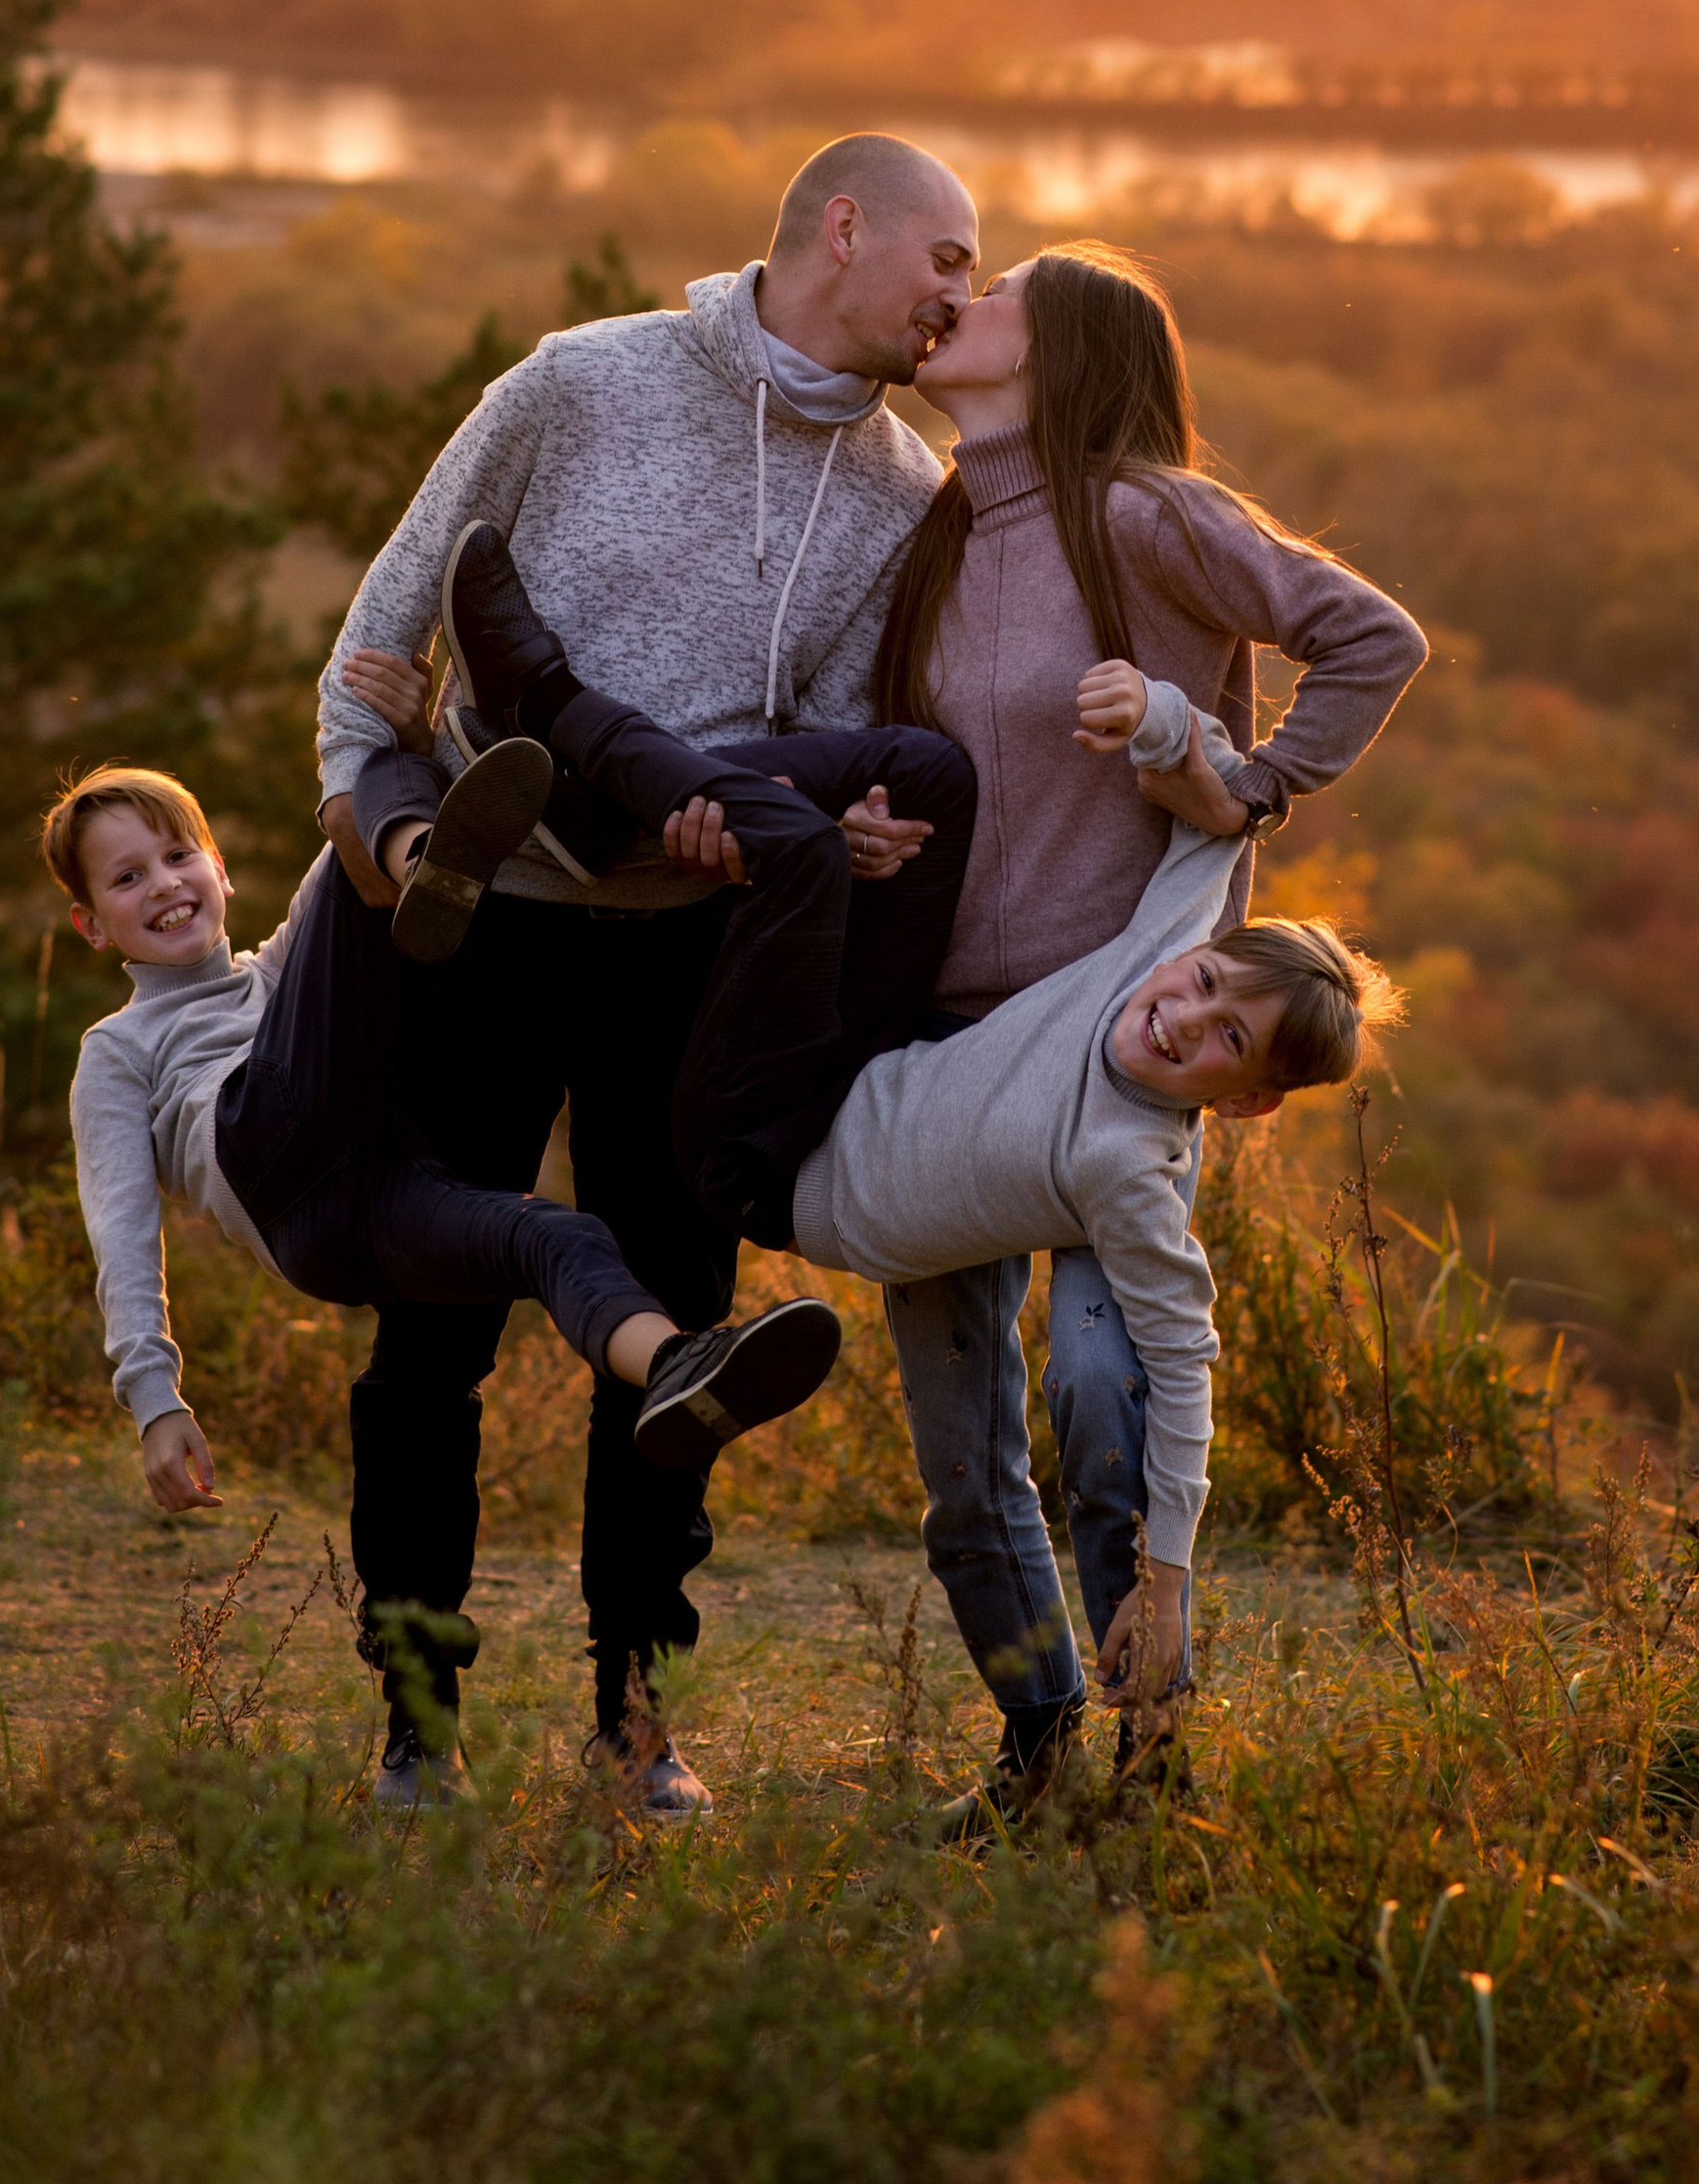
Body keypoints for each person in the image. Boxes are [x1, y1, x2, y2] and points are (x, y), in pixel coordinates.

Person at [440, 522, 1396, 1770]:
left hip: (767, 1158)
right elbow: (1216, 828)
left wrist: (1164, 1579)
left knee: (791, 853)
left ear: (1246, 1105)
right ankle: (609, 811)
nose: (1180, 1019)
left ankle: (551, 706)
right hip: (856, 1066)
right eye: (1205, 981)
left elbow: (1182, 1366)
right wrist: (1159, 712)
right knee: (929, 777)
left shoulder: (1128, 1165)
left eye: (1226, 1043)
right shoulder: (1145, 968)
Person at [311, 131, 982, 1819]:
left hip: (687, 947)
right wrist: (388, 846)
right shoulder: (577, 384)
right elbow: (386, 639)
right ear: (846, 229)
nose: (964, 299)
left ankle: (636, 1725)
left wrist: (752, 834)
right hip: (482, 917)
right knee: (431, 1335)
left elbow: (808, 744)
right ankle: (415, 1726)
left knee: (677, 1344)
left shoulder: (906, 496)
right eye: (951, 259)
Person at [870, 240, 1429, 1825]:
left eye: (991, 306)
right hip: (948, 1045)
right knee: (966, 1453)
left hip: (1127, 1038)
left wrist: (1254, 785)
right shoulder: (940, 523)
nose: (954, 312)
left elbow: (1373, 636)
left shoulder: (1146, 513)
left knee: (1106, 1402)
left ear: (1052, 361)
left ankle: (1157, 1759)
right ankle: (1041, 1748)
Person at [44, 748, 848, 1810]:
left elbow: (310, 940)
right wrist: (155, 1397)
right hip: (275, 1157)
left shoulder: (275, 975)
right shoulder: (123, 1047)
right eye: (127, 877)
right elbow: (120, 1223)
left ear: (223, 867)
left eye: (178, 853)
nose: (164, 884)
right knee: (352, 864)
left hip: (379, 1203)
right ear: (90, 926)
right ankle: (426, 845)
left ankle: (677, 1363)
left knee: (550, 1239)